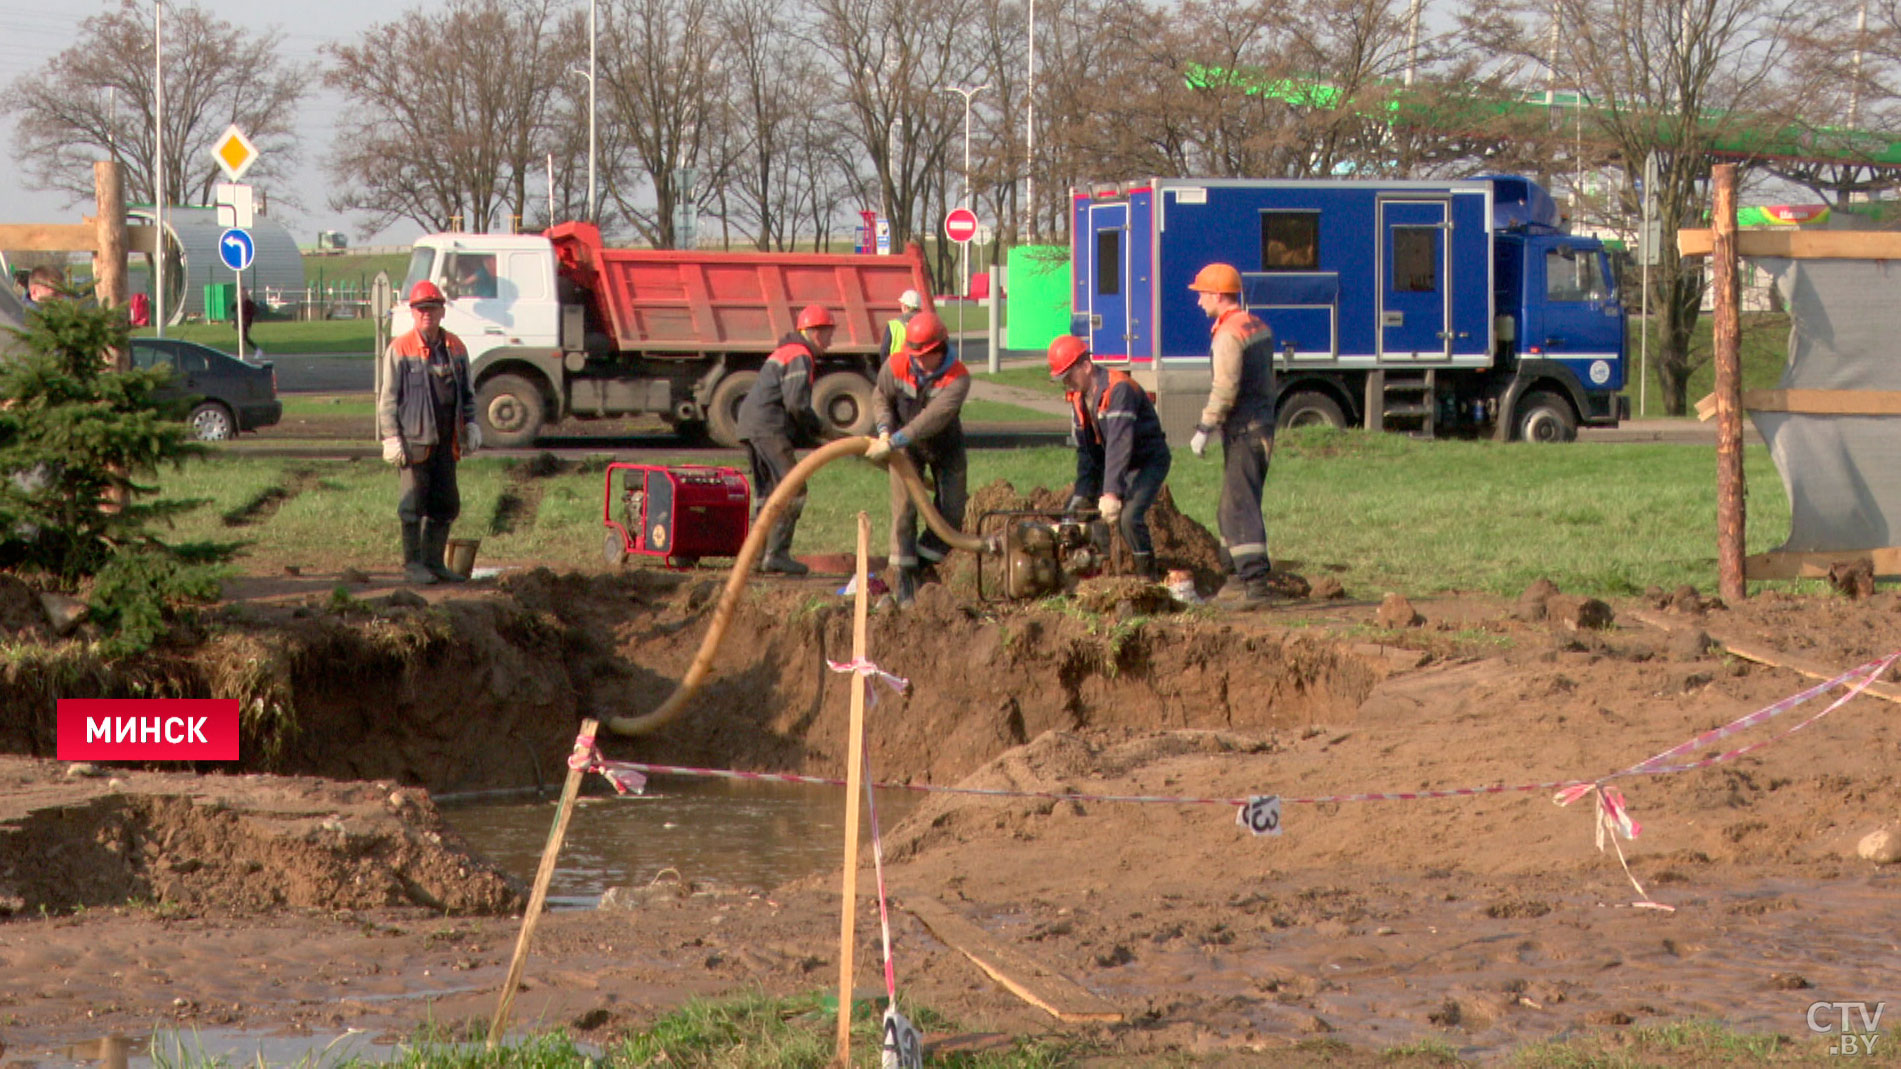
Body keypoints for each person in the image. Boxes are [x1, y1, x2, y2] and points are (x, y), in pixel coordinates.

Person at [376, 280, 480, 585]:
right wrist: (391, 437)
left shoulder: (456, 348)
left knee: (446, 504)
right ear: (413, 312)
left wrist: (471, 424)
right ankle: (413, 565)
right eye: (421, 309)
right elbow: (388, 398)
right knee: (412, 506)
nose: (427, 315)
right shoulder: (400, 348)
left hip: (447, 442)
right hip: (414, 443)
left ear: (441, 312)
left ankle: (435, 563)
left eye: (432, 309)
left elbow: (467, 392)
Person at [1187, 262, 1279, 606]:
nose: (1198, 303)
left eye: (1201, 295)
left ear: (1217, 294)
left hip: (1245, 430)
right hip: (1261, 426)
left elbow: (1225, 387)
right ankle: (1234, 576)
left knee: (1239, 506)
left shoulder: (1228, 334)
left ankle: (1254, 584)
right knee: (1231, 505)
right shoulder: (1256, 325)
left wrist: (1204, 428)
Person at [1046, 334, 1171, 581]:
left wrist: (1111, 492)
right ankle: (1096, 573)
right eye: (1063, 378)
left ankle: (1148, 577)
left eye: (1069, 375)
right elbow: (1086, 451)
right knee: (1081, 514)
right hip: (1115, 462)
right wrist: (1082, 493)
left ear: (1086, 366)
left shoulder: (1119, 389)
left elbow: (1119, 443)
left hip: (1147, 461)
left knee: (1129, 517)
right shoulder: (1079, 398)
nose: (1067, 383)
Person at [865, 310, 969, 604]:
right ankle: (902, 579)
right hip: (905, 450)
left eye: (924, 355)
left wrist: (895, 439)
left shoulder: (957, 378)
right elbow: (880, 396)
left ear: (940, 349)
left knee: (951, 515)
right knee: (904, 513)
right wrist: (884, 429)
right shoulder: (897, 364)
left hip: (945, 446)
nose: (918, 361)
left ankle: (921, 565)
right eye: (915, 354)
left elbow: (932, 420)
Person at [737, 304, 835, 576]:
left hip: (751, 424)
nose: (831, 340)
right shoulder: (800, 355)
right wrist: (817, 429)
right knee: (794, 489)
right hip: (769, 426)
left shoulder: (785, 350)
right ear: (815, 332)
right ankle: (776, 554)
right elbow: (796, 404)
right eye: (829, 333)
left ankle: (754, 557)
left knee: (767, 494)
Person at [883, 289, 923, 362]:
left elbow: (884, 351)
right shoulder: (925, 325)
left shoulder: (893, 325)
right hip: (918, 369)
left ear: (904, 307)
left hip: (896, 368)